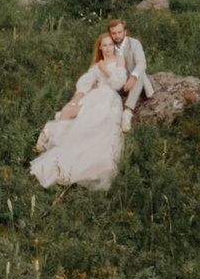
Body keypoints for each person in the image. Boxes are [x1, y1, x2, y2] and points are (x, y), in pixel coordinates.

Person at [29, 30, 131, 191]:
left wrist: (105, 70)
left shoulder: (118, 61)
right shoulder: (96, 66)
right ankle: (54, 145)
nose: (108, 48)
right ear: (100, 47)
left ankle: (83, 163)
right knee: (67, 113)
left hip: (109, 100)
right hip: (94, 97)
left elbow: (118, 84)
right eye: (104, 45)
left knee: (93, 126)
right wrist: (74, 101)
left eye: (111, 45)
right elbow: (84, 86)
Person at [107, 18, 150, 128]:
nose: (117, 36)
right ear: (110, 34)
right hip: (118, 82)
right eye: (114, 33)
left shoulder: (134, 43)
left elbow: (141, 63)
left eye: (119, 32)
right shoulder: (109, 46)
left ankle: (128, 111)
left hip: (135, 81)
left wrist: (133, 78)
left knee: (140, 73)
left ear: (125, 32)